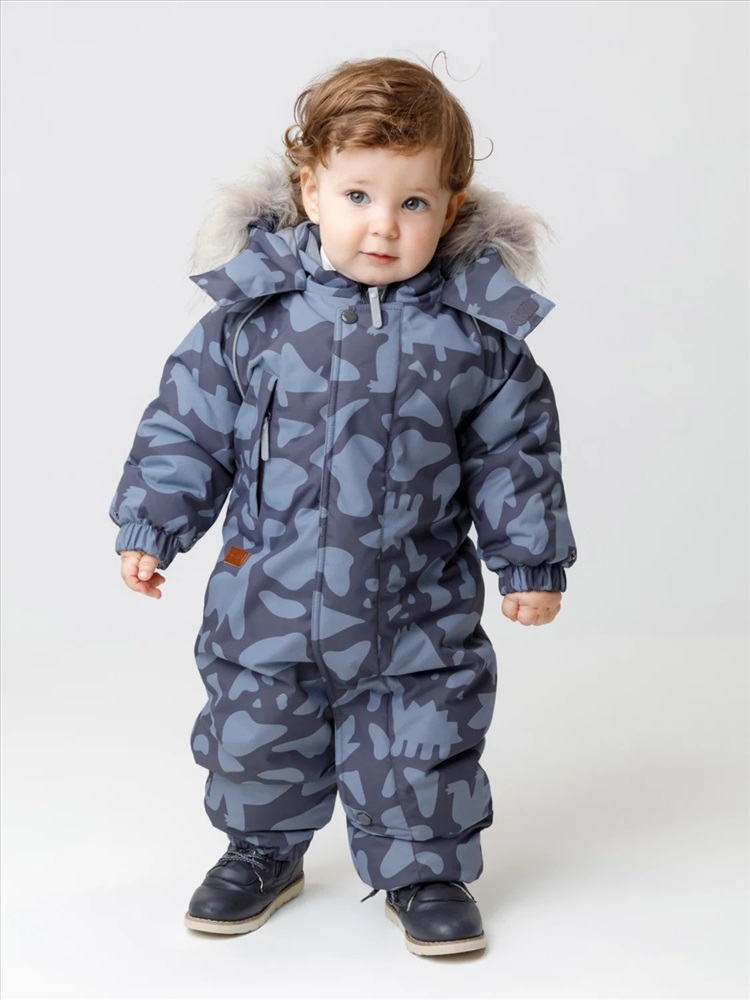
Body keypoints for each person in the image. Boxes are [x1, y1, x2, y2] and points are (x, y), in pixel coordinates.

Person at [111, 55, 577, 957]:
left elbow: (516, 455)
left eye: (414, 202)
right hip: (266, 595)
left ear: (452, 207)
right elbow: (188, 425)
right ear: (310, 191)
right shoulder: (253, 319)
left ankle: (423, 867)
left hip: (416, 603)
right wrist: (154, 524)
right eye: (358, 195)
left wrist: (529, 561)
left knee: (424, 732)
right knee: (255, 728)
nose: (384, 225)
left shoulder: (477, 341)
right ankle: (260, 851)